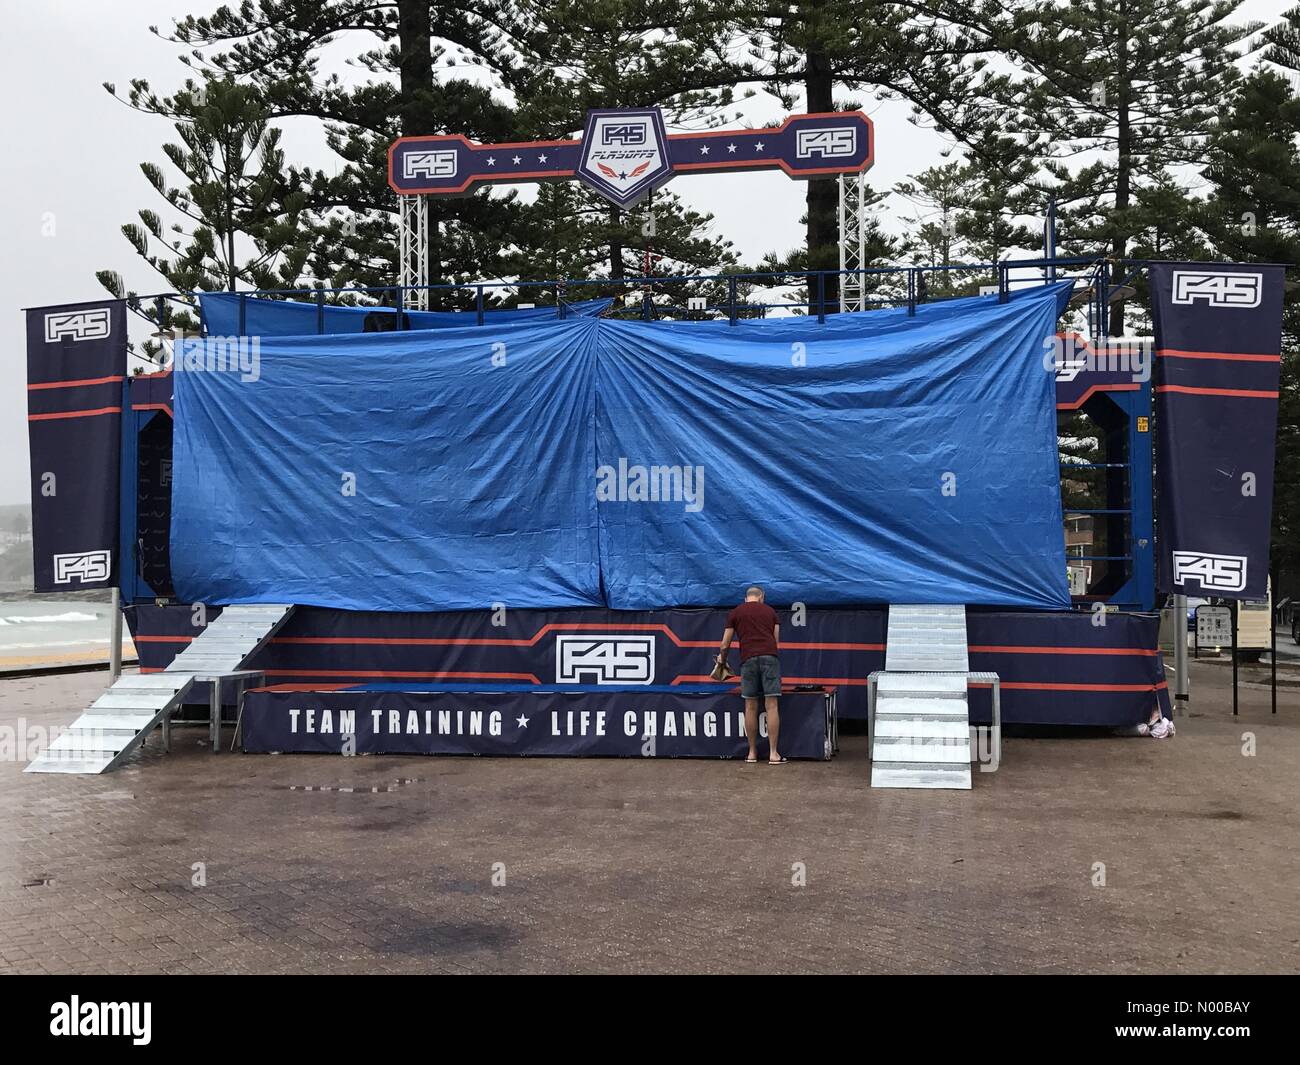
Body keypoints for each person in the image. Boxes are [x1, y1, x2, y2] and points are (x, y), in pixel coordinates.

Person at [716, 586, 783, 764]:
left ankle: (752, 753)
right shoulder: (771, 612)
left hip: (748, 659)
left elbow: (724, 645)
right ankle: (773, 754)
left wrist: (722, 662)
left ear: (746, 598)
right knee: (771, 705)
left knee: (750, 706)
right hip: (770, 657)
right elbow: (775, 642)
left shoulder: (736, 613)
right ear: (762, 597)